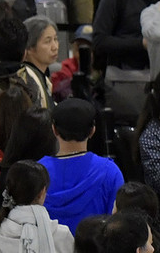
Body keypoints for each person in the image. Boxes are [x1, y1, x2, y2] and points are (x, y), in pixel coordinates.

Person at [42, 98, 125, 229]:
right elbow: (117, 225)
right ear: (92, 130)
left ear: (54, 129)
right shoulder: (110, 172)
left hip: (44, 248)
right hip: (93, 248)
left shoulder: (38, 172)